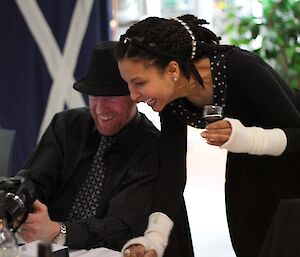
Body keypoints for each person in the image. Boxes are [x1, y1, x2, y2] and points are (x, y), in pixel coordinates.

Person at [116, 14, 300, 257]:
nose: (133, 96)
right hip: (246, 170)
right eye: (128, 84)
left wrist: (247, 138)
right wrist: (154, 239)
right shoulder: (172, 99)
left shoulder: (241, 68)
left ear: (172, 69)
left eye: (139, 82)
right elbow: (172, 171)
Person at [15, 41, 194, 256]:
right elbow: (34, 181)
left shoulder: (150, 147)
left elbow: (120, 227)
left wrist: (59, 231)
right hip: (47, 247)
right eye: (94, 96)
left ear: (134, 95)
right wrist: (18, 203)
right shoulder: (67, 125)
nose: (100, 108)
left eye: (110, 97)